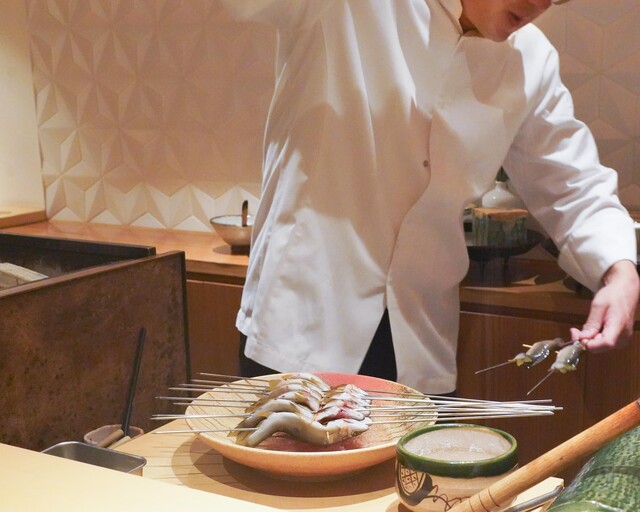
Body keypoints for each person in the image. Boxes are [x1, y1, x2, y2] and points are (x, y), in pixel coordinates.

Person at [221, 0, 640, 394]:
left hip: (419, 343)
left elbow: (571, 183)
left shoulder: (531, 59)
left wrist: (620, 273)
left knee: (416, 454)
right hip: (302, 326)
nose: (541, 3)